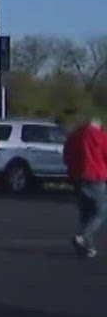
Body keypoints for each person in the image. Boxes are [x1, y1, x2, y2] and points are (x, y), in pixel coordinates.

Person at [62, 110, 106, 259]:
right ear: (98, 125)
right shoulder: (101, 136)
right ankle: (82, 236)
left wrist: (72, 171)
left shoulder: (74, 136)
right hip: (96, 176)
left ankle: (87, 247)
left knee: (85, 213)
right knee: (100, 211)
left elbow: (66, 155)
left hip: (78, 177)